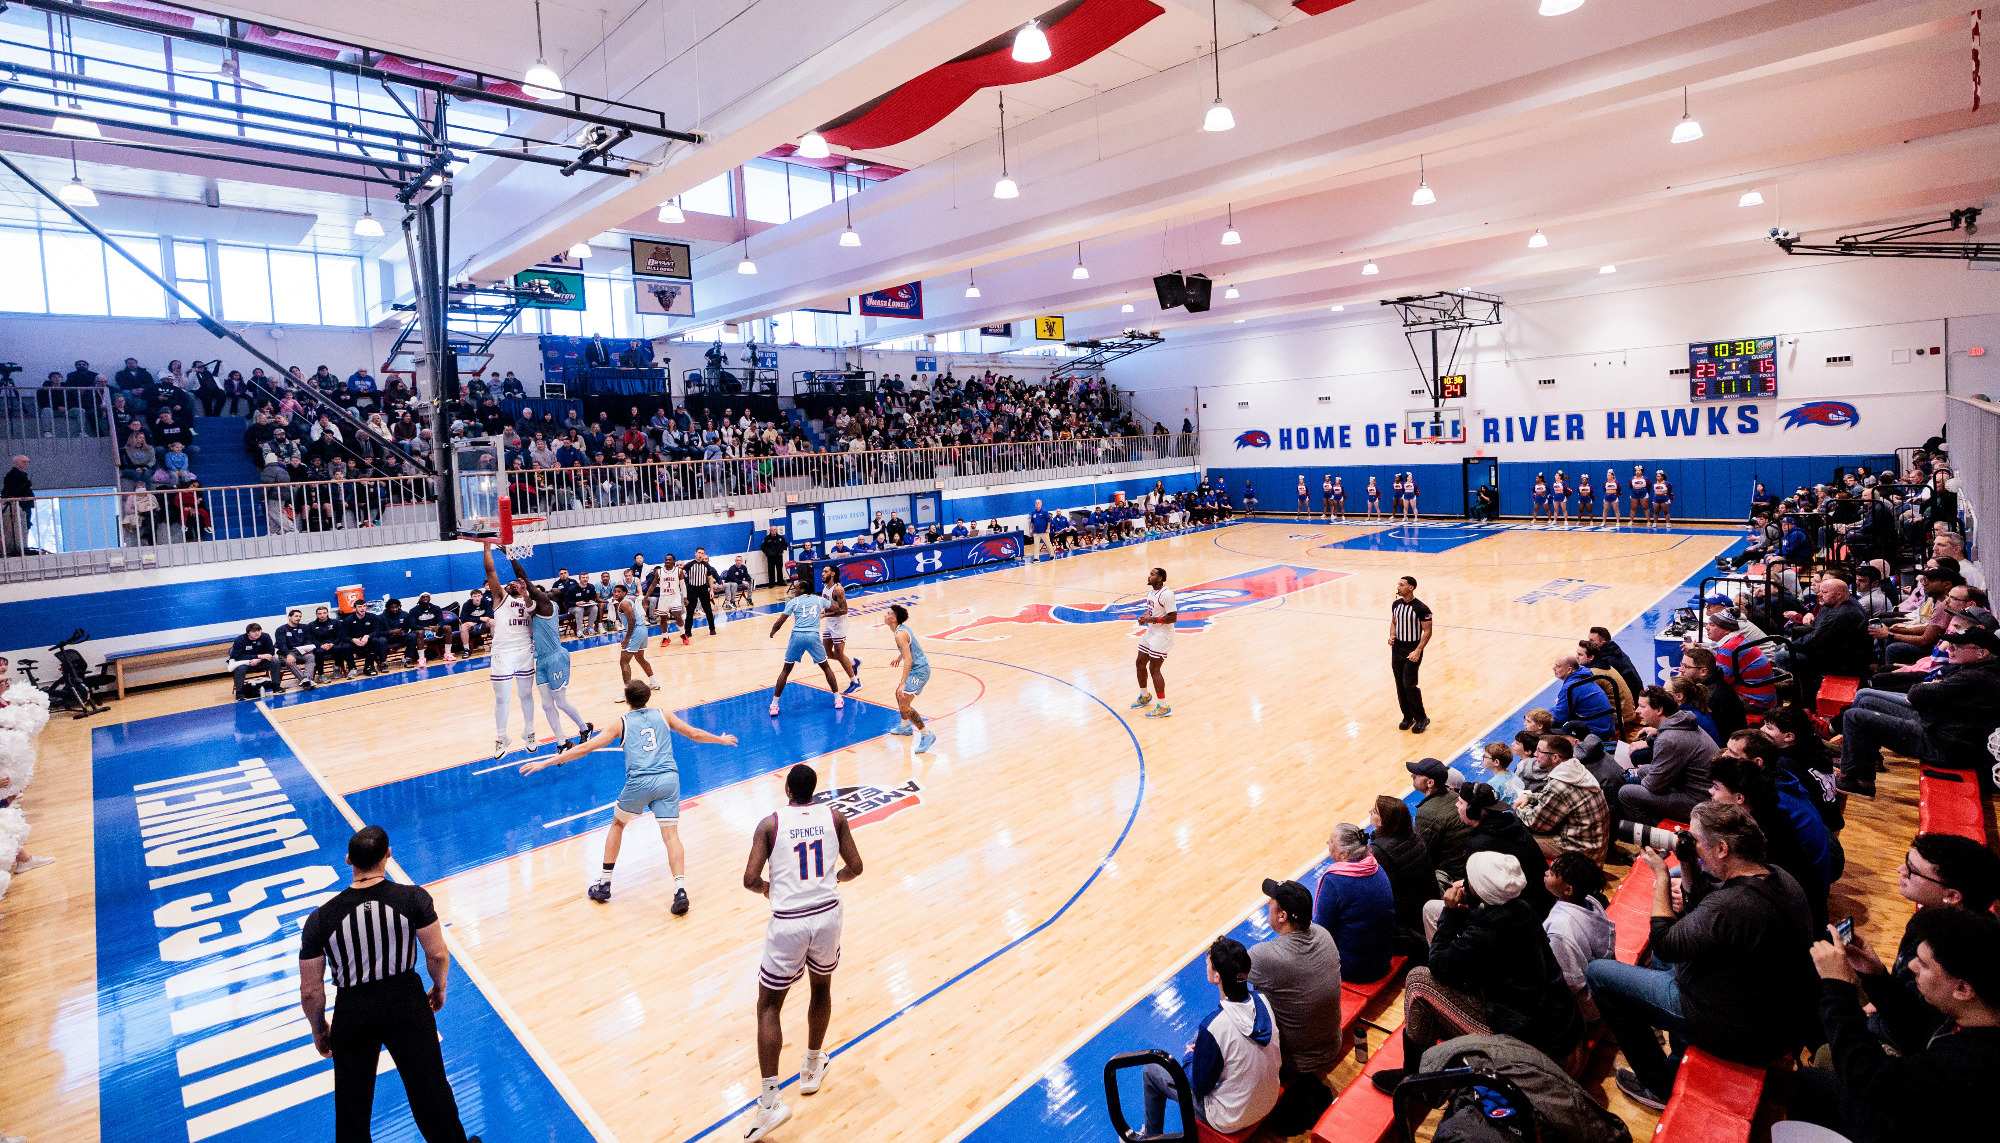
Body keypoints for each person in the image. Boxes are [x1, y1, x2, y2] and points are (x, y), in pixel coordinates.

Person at [1582, 802, 1817, 1109]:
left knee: (1600, 974)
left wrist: (1662, 877)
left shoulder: (1731, 906)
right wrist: (1689, 862)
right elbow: (1704, 909)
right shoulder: (1778, 877)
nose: (1687, 842)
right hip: (1772, 1012)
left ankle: (1658, 1084)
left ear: (1721, 849)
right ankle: (1678, 1051)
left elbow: (1664, 941)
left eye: (1694, 838)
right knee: (1670, 955)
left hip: (1741, 1031)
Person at [298, 826, 481, 1143]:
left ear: (348, 861)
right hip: (406, 1004)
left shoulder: (320, 919)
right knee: (431, 1091)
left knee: (352, 1109)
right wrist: (439, 988)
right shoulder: (414, 898)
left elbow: (310, 990)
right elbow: (437, 954)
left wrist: (319, 1027)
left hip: (352, 1012)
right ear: (388, 855)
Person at [1369, 851, 1582, 1093]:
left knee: (1419, 981)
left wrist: (1449, 912)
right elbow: (1480, 938)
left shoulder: (1486, 935)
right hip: (1558, 1028)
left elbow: (1439, 964)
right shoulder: (1522, 909)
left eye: (1468, 880)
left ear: (1480, 890)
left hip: (1534, 1046)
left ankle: (1417, 1081)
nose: (1461, 883)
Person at [521, 678, 736, 909]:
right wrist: (720, 739)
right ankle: (680, 890)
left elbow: (585, 748)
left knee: (618, 825)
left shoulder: (620, 723)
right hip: (668, 781)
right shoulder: (665, 714)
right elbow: (694, 733)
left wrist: (547, 763)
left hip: (640, 783)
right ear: (648, 697)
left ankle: (604, 884)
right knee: (671, 836)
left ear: (626, 700)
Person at [1796, 906, 2000, 1143]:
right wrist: (1875, 975)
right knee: (1810, 1082)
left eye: (1924, 965)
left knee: (1808, 1085)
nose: (1912, 965)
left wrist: (1837, 987)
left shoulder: (1971, 1065)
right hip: (1917, 1112)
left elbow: (1868, 1078)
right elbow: (1915, 1031)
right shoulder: (1975, 1014)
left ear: (1963, 989)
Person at [739, 764, 865, 1141]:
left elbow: (749, 879)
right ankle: (811, 1068)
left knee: (768, 1006)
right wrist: (834, 879)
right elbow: (856, 867)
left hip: (789, 921)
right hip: (827, 915)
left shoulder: (770, 824)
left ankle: (770, 1103)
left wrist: (767, 889)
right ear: (815, 791)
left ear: (788, 791)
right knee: (821, 989)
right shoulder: (836, 817)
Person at [1139, 938, 1281, 1139]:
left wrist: (1190, 1058)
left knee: (1152, 1070)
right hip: (1269, 1099)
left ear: (1216, 976)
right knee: (1201, 1037)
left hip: (1232, 1118)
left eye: (1208, 964)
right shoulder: (1263, 1001)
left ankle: (1149, 1137)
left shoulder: (1214, 1027)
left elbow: (1200, 1086)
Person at [1837, 625, 2000, 797]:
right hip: (1941, 728)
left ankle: (1858, 782)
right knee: (1868, 702)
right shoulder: (1981, 670)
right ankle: (1861, 762)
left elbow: (1917, 694)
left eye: (1957, 647)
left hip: (1943, 745)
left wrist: (1929, 688)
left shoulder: (1976, 677)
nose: (1950, 649)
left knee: (1854, 716)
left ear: (1982, 653)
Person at [1250, 878, 1345, 1082]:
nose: (1268, 904)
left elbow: (1224, 973)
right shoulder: (1323, 934)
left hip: (1294, 1063)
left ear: (1282, 915)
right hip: (1334, 1043)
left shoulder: (1266, 956)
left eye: (1272, 902)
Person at [507, 555, 591, 751]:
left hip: (556, 658)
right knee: (546, 704)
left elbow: (527, 582)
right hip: (542, 660)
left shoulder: (548, 605)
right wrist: (524, 593)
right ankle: (562, 742)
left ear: (552, 597)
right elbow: (529, 603)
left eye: (551, 591)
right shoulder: (538, 609)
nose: (547, 591)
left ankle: (584, 728)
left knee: (560, 701)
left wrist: (511, 558)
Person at [1618, 687, 1717, 827]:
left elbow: (1653, 786)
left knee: (1626, 793)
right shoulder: (1681, 721)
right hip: (1696, 789)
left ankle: (1653, 834)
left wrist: (1644, 779)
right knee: (1642, 770)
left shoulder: (1669, 739)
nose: (1637, 711)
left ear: (1659, 710)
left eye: (1642, 706)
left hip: (1699, 801)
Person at [1313, 823, 1395, 984]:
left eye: (1331, 841)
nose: (1327, 843)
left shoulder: (1335, 881)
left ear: (1344, 854)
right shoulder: (1376, 867)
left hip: (1354, 969)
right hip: (1383, 959)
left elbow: (1322, 930)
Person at [477, 545, 539, 757]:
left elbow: (525, 578)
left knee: (526, 694)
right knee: (502, 698)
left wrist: (524, 584)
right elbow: (490, 572)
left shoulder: (531, 603)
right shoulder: (501, 598)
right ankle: (502, 737)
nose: (512, 583)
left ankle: (529, 731)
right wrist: (487, 546)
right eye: (509, 582)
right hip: (502, 653)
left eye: (516, 582)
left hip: (524, 651)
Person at [1542, 851, 1615, 1022]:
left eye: (1552, 873)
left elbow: (1571, 982)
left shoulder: (1561, 930)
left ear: (1568, 889)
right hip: (1599, 983)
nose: (1546, 872)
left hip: (1583, 1004)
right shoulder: (1590, 901)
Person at [1515, 737, 1610, 859]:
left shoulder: (1559, 785)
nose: (1535, 754)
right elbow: (1559, 800)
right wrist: (1530, 797)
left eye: (1539, 751)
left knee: (1520, 836)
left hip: (1582, 853)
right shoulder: (1576, 768)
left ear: (1555, 757)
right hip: (1595, 845)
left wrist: (1519, 808)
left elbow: (1536, 823)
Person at [1368, 795, 1438, 960]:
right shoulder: (1414, 836)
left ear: (1385, 820)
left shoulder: (1379, 852)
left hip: (1407, 921)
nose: (1370, 812)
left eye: (1375, 811)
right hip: (1425, 905)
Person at [1784, 575, 1872, 702]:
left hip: (1840, 661)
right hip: (1829, 651)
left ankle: (1803, 698)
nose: (1820, 594)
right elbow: (1816, 630)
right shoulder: (1832, 606)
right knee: (1784, 648)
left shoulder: (1842, 614)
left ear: (1838, 595)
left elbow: (1816, 640)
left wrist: (1790, 645)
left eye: (1824, 592)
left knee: (1783, 655)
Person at [768, 581, 846, 717]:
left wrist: (773, 632)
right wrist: (826, 612)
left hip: (797, 636)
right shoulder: (819, 600)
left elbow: (780, 621)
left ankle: (774, 705)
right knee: (826, 667)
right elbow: (838, 609)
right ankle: (838, 699)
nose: (794, 590)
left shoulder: (794, 602)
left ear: (803, 590)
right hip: (813, 637)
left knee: (786, 670)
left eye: (796, 588)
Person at [1409, 758, 1473, 888]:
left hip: (1452, 876)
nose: (1412, 775)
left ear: (1430, 783)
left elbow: (1423, 851)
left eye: (1417, 774)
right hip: (1469, 865)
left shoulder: (1428, 812)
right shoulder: (1455, 797)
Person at [883, 604, 935, 754]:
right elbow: (909, 647)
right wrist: (900, 656)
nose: (885, 615)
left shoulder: (899, 634)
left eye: (888, 613)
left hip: (919, 671)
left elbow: (910, 660)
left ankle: (927, 735)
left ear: (894, 618)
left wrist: (902, 682)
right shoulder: (901, 630)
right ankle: (905, 727)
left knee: (905, 703)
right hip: (916, 668)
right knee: (898, 695)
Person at [1130, 567, 1178, 720]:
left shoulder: (1167, 594)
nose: (1149, 576)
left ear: (1160, 578)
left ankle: (1163, 706)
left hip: (1164, 635)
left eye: (1152, 574)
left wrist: (1151, 620)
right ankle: (1145, 696)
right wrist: (1144, 617)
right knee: (1139, 663)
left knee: (1154, 668)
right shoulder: (1151, 592)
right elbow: (1152, 612)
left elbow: (1173, 617)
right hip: (1152, 632)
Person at [1389, 575, 1432, 733]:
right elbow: (1394, 622)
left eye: (1401, 585)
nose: (1398, 587)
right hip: (1397, 649)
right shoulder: (1396, 604)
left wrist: (1418, 650)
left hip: (1412, 649)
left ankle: (1421, 718)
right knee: (1400, 684)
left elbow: (1427, 631)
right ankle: (1407, 716)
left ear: (1411, 588)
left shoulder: (1422, 608)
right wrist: (1392, 635)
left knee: (1409, 685)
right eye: (1398, 584)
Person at [1677, 644, 1746, 740]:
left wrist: (1678, 685)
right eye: (1681, 664)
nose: (1681, 670)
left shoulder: (1708, 697)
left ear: (1703, 672)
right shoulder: (1713, 682)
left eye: (1685, 666)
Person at [1548, 654, 1616, 739]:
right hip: (1606, 727)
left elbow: (1560, 716)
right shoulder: (1583, 677)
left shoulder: (1571, 687)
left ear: (1569, 670)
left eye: (1558, 666)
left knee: (1546, 728)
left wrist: (1542, 716)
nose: (1553, 668)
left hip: (1596, 732)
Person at [819, 567, 863, 695]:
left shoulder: (838, 589)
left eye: (825, 571)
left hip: (839, 623)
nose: (822, 573)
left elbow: (844, 610)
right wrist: (824, 611)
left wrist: (825, 615)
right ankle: (853, 662)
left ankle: (855, 682)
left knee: (838, 653)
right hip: (830, 622)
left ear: (832, 574)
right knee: (827, 652)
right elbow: (830, 605)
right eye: (823, 571)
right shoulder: (826, 587)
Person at [612, 583, 658, 691]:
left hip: (636, 631)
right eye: (615, 591)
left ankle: (627, 692)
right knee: (640, 658)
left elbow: (632, 620)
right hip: (642, 630)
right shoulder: (627, 601)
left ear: (624, 593)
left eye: (619, 592)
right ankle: (654, 682)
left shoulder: (624, 603)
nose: (616, 594)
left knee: (624, 661)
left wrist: (627, 638)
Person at [228, 621, 279, 699]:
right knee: (240, 669)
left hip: (261, 661)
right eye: (253, 631)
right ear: (248, 633)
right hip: (246, 662)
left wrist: (259, 659)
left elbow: (271, 651)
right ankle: (239, 693)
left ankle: (276, 685)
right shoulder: (240, 639)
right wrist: (258, 656)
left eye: (258, 631)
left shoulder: (265, 636)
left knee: (275, 661)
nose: (257, 633)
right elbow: (237, 656)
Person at [275, 608, 317, 691]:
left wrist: (307, 647)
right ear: (289, 617)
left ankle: (307, 679)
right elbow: (281, 644)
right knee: (290, 661)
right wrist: (288, 655)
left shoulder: (305, 627)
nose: (298, 618)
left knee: (311, 656)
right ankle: (307, 681)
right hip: (286, 652)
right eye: (296, 616)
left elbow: (308, 639)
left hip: (301, 651)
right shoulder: (281, 629)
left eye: (300, 616)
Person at [682, 547, 719, 641]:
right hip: (692, 589)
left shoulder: (707, 565)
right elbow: (681, 574)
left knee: (708, 609)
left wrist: (711, 590)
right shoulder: (690, 564)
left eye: (702, 553)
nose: (700, 554)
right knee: (690, 611)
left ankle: (712, 629)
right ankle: (688, 631)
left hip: (702, 588)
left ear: (704, 555)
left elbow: (710, 578)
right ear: (695, 553)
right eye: (699, 553)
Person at [1, 455, 33, 557]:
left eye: (27, 462)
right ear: (16, 463)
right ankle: (19, 548)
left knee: (25, 524)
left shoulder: (21, 475)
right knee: (20, 526)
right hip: (18, 506)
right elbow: (12, 491)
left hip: (24, 505)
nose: (26, 464)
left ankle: (22, 547)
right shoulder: (12, 476)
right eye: (24, 462)